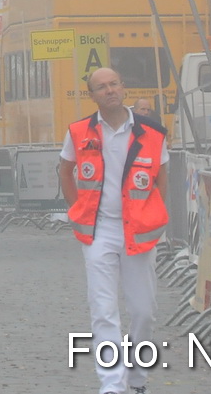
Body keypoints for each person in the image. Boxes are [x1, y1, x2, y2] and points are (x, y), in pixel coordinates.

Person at [58, 67, 169, 394]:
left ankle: (137, 378)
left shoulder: (153, 131)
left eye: (114, 84)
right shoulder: (79, 131)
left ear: (123, 87)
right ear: (91, 95)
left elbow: (162, 179)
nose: (109, 91)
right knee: (104, 309)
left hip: (138, 231)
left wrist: (152, 215)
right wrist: (76, 208)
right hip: (99, 230)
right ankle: (112, 385)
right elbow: (65, 171)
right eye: (101, 87)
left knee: (143, 312)